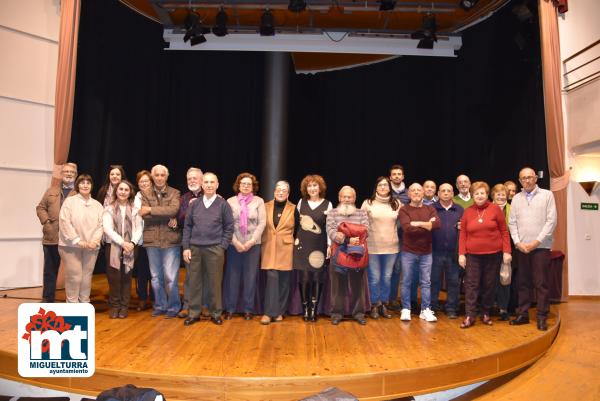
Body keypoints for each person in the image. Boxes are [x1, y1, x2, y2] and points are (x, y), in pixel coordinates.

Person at [508, 167, 557, 331]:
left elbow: (551, 222)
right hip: (522, 248)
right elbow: (512, 222)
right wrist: (517, 242)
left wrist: (536, 242)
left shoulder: (547, 195)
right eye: (523, 178)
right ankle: (522, 314)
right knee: (523, 282)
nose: (527, 180)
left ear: (536, 178)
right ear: (520, 181)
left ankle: (542, 316)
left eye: (530, 177)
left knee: (541, 283)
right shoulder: (516, 198)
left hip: (541, 247)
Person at [182, 172, 234, 326]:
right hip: (195, 249)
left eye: (212, 182)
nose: (209, 185)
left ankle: (215, 313)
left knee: (214, 282)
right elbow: (187, 227)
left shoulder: (223, 204)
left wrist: (222, 246)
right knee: (194, 282)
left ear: (217, 185)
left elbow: (229, 227)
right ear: (202, 184)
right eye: (206, 182)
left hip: (215, 249)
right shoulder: (194, 204)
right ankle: (194, 313)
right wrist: (186, 247)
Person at [458, 181, 511, 328]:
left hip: (493, 254)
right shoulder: (467, 211)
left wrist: (507, 251)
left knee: (489, 285)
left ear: (487, 195)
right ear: (472, 195)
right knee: (471, 285)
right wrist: (461, 254)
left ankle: (486, 313)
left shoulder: (495, 210)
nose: (479, 196)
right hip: (473, 255)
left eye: (482, 193)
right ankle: (470, 315)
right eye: (476, 193)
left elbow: (504, 232)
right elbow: (463, 234)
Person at [139, 164, 182, 318]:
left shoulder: (175, 192)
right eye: (156, 175)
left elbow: (173, 210)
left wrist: (151, 209)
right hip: (152, 240)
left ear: (166, 177)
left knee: (171, 277)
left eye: (162, 175)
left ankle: (174, 306)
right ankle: (160, 305)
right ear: (152, 176)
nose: (159, 178)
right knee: (156, 277)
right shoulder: (145, 194)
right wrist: (163, 213)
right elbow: (143, 215)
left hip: (171, 240)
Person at [223, 172, 266, 321]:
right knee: (232, 277)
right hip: (234, 245)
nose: (246, 186)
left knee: (250, 278)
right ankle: (230, 308)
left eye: (249, 184)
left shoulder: (259, 201)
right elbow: (227, 224)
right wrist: (235, 242)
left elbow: (262, 223)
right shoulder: (230, 201)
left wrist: (251, 241)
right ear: (238, 185)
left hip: (253, 246)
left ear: (253, 186)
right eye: (243, 183)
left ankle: (248, 309)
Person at [326, 186, 370, 325]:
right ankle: (337, 313)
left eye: (349, 197)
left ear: (354, 198)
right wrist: (348, 239)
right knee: (338, 285)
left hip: (357, 253)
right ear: (339, 198)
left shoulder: (362, 213)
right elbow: (331, 231)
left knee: (358, 285)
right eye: (344, 197)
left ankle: (358, 313)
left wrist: (346, 231)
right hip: (338, 252)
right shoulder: (332, 213)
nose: (346, 199)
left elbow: (366, 230)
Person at [398, 183, 441, 323]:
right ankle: (406, 309)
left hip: (426, 252)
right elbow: (407, 228)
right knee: (406, 281)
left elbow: (437, 225)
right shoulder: (404, 210)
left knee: (426, 282)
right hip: (408, 251)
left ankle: (425, 310)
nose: (416, 193)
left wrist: (417, 223)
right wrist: (426, 224)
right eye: (413, 191)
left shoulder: (430, 208)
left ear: (423, 193)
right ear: (409, 194)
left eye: (419, 190)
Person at [58, 174, 104, 303]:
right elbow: (65, 222)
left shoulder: (97, 205)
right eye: (82, 182)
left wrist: (94, 241)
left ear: (91, 186)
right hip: (70, 246)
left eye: (88, 183)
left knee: (86, 277)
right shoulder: (70, 201)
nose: (85, 185)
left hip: (91, 247)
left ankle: (84, 304)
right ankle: (72, 306)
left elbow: (101, 225)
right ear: (77, 185)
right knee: (75, 277)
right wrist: (78, 240)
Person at [36, 162, 77, 302]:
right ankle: (47, 299)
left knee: (73, 272)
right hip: (51, 237)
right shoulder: (51, 191)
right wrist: (46, 222)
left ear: (76, 175)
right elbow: (40, 208)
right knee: (50, 271)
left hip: (71, 240)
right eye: (66, 171)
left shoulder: (79, 193)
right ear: (61, 174)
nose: (69, 174)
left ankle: (73, 300)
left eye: (72, 172)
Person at [294, 175, 332, 322]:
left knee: (317, 277)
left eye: (315, 185)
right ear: (306, 189)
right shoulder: (300, 202)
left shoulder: (328, 204)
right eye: (309, 186)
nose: (312, 188)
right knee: (304, 277)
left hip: (319, 245)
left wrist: (329, 245)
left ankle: (313, 310)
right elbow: (296, 224)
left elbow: (329, 227)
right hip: (302, 245)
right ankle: (305, 310)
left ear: (320, 187)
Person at [361, 177, 400, 319]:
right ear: (376, 188)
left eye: (385, 185)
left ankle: (384, 304)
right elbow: (361, 223)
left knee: (387, 278)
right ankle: (374, 305)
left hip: (392, 247)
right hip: (373, 247)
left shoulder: (396, 203)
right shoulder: (368, 203)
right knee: (375, 278)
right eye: (380, 185)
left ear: (390, 187)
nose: (383, 187)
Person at [102, 180, 143, 318]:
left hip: (131, 247)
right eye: (120, 189)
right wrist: (122, 242)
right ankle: (115, 306)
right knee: (114, 278)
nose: (123, 192)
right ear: (116, 191)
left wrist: (131, 243)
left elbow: (139, 229)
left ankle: (124, 307)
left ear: (130, 192)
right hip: (113, 247)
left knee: (126, 277)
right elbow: (107, 229)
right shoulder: (108, 208)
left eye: (126, 190)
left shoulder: (135, 210)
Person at [260, 181, 296, 325]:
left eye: (284, 190)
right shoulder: (265, 206)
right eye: (278, 190)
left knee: (284, 282)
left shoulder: (294, 209)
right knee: (271, 279)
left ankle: (280, 311)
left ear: (288, 193)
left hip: (286, 249)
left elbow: (298, 229)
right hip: (269, 247)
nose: (280, 192)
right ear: (274, 192)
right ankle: (268, 313)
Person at [431, 183, 464, 319]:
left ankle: (451, 307)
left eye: (448, 191)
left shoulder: (460, 209)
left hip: (453, 252)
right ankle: (431, 306)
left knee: (453, 281)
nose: (445, 193)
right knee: (434, 281)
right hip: (434, 251)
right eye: (443, 191)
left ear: (452, 194)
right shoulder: (431, 209)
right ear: (438, 194)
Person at [174, 167, 203, 319]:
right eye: (189, 179)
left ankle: (205, 307)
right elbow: (178, 220)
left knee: (208, 276)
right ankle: (187, 306)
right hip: (191, 243)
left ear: (202, 180)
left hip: (209, 243)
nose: (192, 181)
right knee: (190, 277)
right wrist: (190, 209)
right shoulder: (184, 198)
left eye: (195, 178)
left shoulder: (212, 196)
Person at [388, 164, 408, 311]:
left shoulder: (409, 194)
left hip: (403, 238)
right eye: (394, 174)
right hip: (385, 237)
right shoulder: (383, 192)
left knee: (397, 269)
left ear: (403, 177)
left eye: (399, 174)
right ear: (390, 177)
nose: (396, 176)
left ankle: (393, 299)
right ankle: (381, 299)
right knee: (384, 270)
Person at [132, 170, 153, 311]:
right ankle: (142, 298)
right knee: (142, 272)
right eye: (141, 181)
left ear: (151, 182)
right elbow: (136, 216)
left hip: (155, 239)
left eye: (146, 181)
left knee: (156, 272)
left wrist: (147, 212)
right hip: (141, 241)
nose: (144, 183)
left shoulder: (158, 195)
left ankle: (156, 298)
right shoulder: (136, 197)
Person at [491, 183, 512, 321]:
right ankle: (488, 306)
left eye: (503, 194)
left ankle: (503, 308)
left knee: (504, 279)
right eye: (497, 194)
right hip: (489, 248)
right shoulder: (486, 208)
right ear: (493, 195)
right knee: (489, 279)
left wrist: (507, 251)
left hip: (506, 249)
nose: (500, 196)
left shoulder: (512, 208)